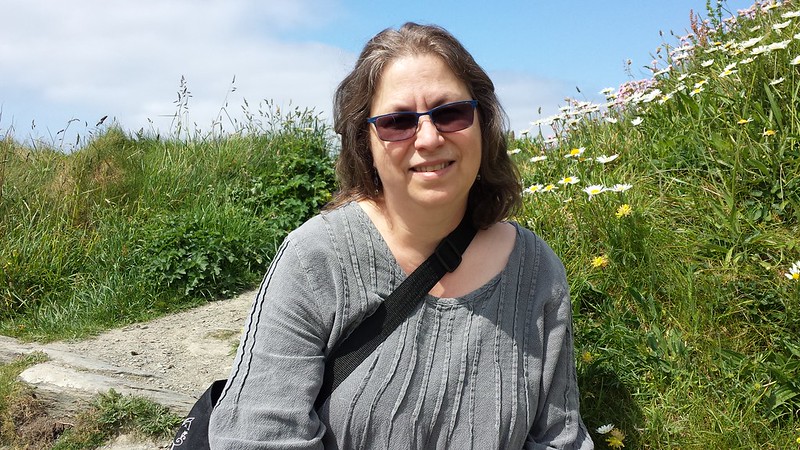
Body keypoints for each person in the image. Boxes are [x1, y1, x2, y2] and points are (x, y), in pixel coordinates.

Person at [208, 22, 593, 449]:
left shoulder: (537, 271)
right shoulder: (315, 260)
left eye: (450, 113)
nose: (429, 138)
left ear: (482, 124)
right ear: (365, 143)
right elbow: (257, 435)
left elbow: (560, 437)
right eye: (398, 122)